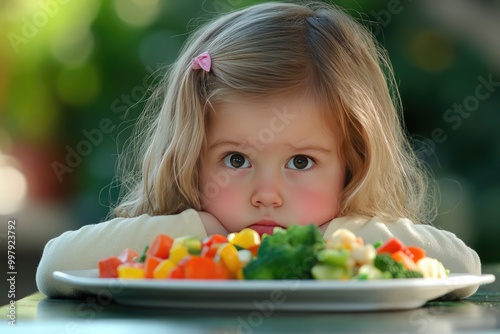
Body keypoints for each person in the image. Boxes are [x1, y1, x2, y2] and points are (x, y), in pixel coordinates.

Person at [36, 1, 481, 299]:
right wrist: (199, 229)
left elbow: (462, 267)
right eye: (236, 160)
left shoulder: (352, 247)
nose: (266, 194)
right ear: (191, 158)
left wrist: (331, 242)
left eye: (301, 162)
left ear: (353, 163)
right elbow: (54, 265)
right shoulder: (183, 242)